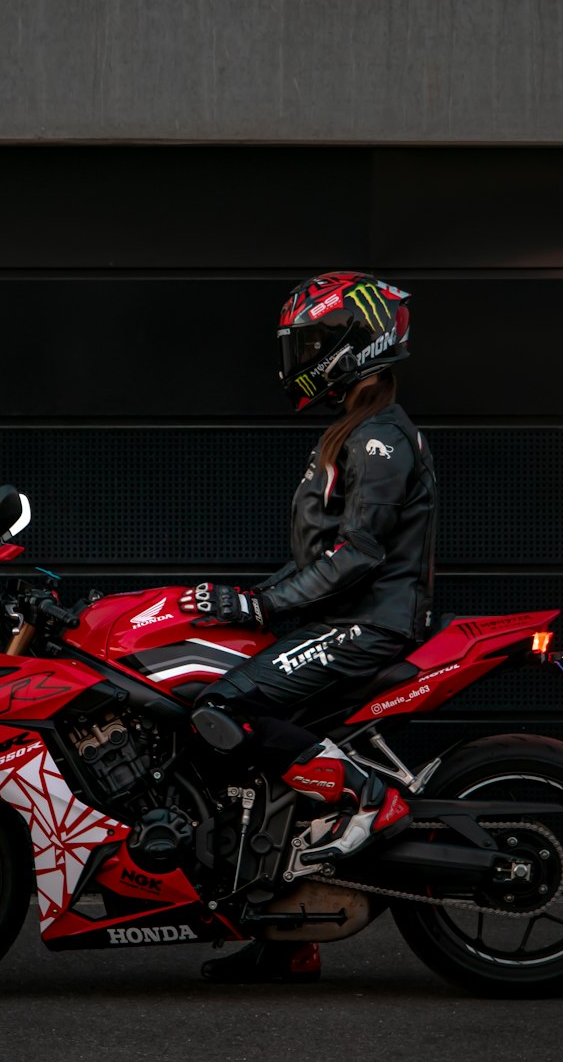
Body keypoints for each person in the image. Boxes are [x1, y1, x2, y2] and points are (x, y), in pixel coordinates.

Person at [181, 271, 437, 983]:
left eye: (313, 343)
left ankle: (367, 795)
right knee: (250, 752)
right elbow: (322, 557)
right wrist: (250, 600)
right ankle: (287, 937)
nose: (298, 358)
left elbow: (356, 556)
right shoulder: (356, 430)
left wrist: (262, 607)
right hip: (339, 618)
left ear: (355, 342)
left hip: (367, 625)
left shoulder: (379, 438)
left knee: (222, 707)